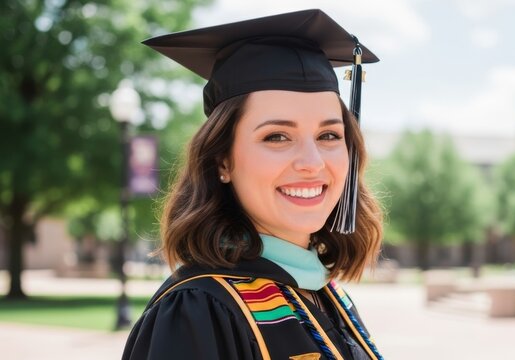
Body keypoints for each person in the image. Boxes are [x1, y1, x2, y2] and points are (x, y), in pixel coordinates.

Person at [122, 9, 384, 360]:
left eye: (329, 135)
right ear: (222, 161)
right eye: (277, 136)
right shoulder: (199, 311)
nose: (312, 162)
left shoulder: (325, 296)